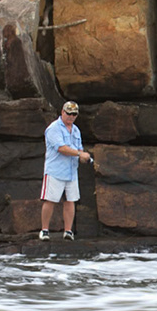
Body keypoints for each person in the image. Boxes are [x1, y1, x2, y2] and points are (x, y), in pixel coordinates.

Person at [40, 100, 93, 241]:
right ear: (62, 112)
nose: (71, 116)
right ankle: (44, 230)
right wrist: (79, 154)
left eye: (74, 114)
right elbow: (61, 148)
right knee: (50, 200)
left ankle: (68, 231)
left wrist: (85, 158)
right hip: (55, 171)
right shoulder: (54, 128)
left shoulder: (76, 130)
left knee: (71, 201)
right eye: (68, 113)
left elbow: (79, 149)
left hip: (71, 172)